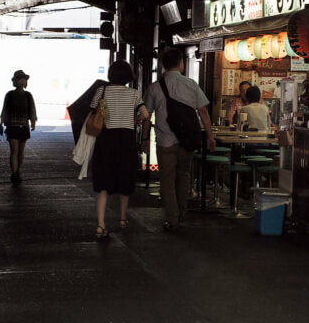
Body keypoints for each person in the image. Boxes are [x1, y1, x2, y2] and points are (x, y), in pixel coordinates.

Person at [144, 47, 215, 233]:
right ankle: (182, 212)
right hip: (187, 141)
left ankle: (172, 219)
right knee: (183, 175)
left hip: (165, 141)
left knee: (167, 180)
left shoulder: (154, 87)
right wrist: (210, 135)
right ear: (181, 64)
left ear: (163, 66)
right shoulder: (191, 84)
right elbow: (203, 111)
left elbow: (146, 115)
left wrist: (144, 139)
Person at [89, 60, 150, 239]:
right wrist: (135, 121)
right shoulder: (133, 93)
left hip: (106, 139)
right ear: (128, 76)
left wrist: (109, 115)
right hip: (126, 140)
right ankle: (123, 219)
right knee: (125, 179)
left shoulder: (102, 91)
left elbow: (96, 110)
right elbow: (145, 114)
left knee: (103, 183)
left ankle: (101, 225)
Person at [0, 69, 37, 184]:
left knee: (21, 153)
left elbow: (32, 109)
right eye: (19, 79)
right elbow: (4, 110)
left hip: (24, 127)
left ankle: (16, 171)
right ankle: (14, 174)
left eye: (23, 79)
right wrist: (0, 124)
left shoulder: (28, 95)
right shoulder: (9, 95)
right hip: (12, 127)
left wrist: (33, 122)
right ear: (15, 81)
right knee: (14, 151)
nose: (21, 81)